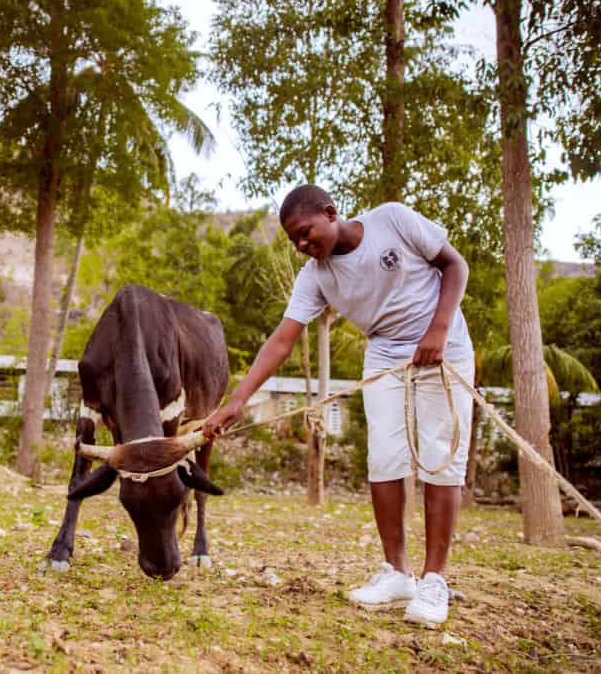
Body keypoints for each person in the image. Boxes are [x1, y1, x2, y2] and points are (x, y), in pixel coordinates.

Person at [203, 184, 475, 628]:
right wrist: (238, 400)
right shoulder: (316, 276)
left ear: (331, 213)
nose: (303, 246)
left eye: (306, 233)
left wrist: (439, 330)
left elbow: (454, 265)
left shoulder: (393, 220)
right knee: (384, 458)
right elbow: (282, 340)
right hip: (386, 357)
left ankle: (433, 581)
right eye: (294, 241)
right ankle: (397, 572)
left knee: (440, 458)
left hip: (443, 350)